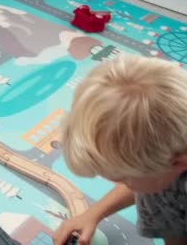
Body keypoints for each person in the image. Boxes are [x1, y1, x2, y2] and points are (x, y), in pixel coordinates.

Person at [53, 55, 187, 245]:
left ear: (178, 163)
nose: (118, 182)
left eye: (125, 178)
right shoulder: (171, 152)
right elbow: (149, 183)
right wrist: (93, 213)